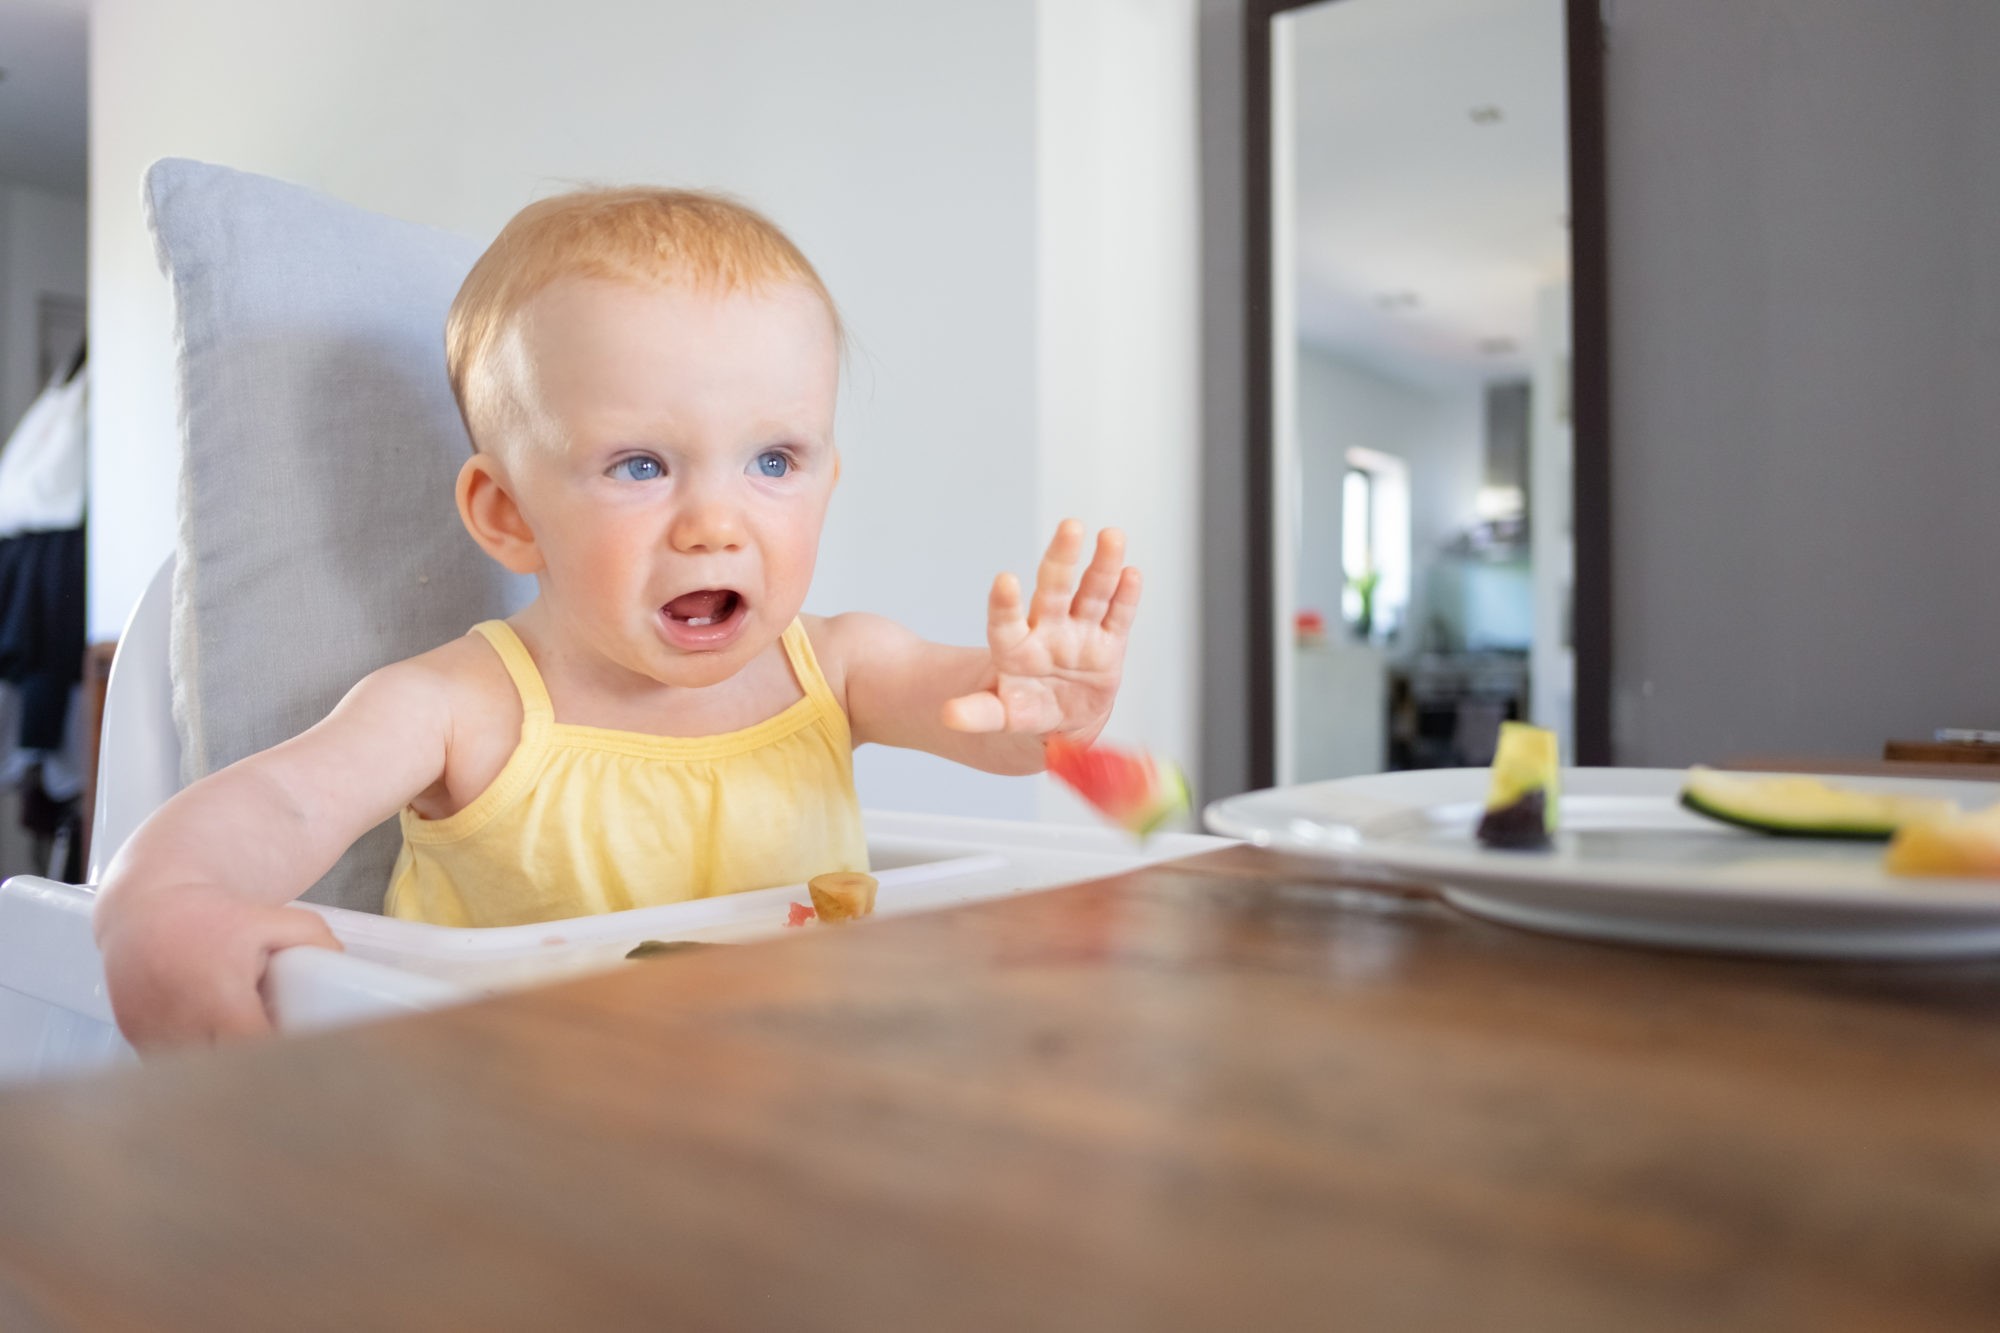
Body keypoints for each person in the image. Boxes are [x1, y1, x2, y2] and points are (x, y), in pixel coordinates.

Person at [92, 188, 1141, 1049]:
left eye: (773, 459)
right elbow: (277, 805)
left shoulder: (842, 665)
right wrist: (171, 900)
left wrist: (1043, 705)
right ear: (507, 515)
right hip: (524, 1143)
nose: (716, 523)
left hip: (795, 1109)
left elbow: (997, 730)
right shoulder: (466, 708)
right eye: (640, 464)